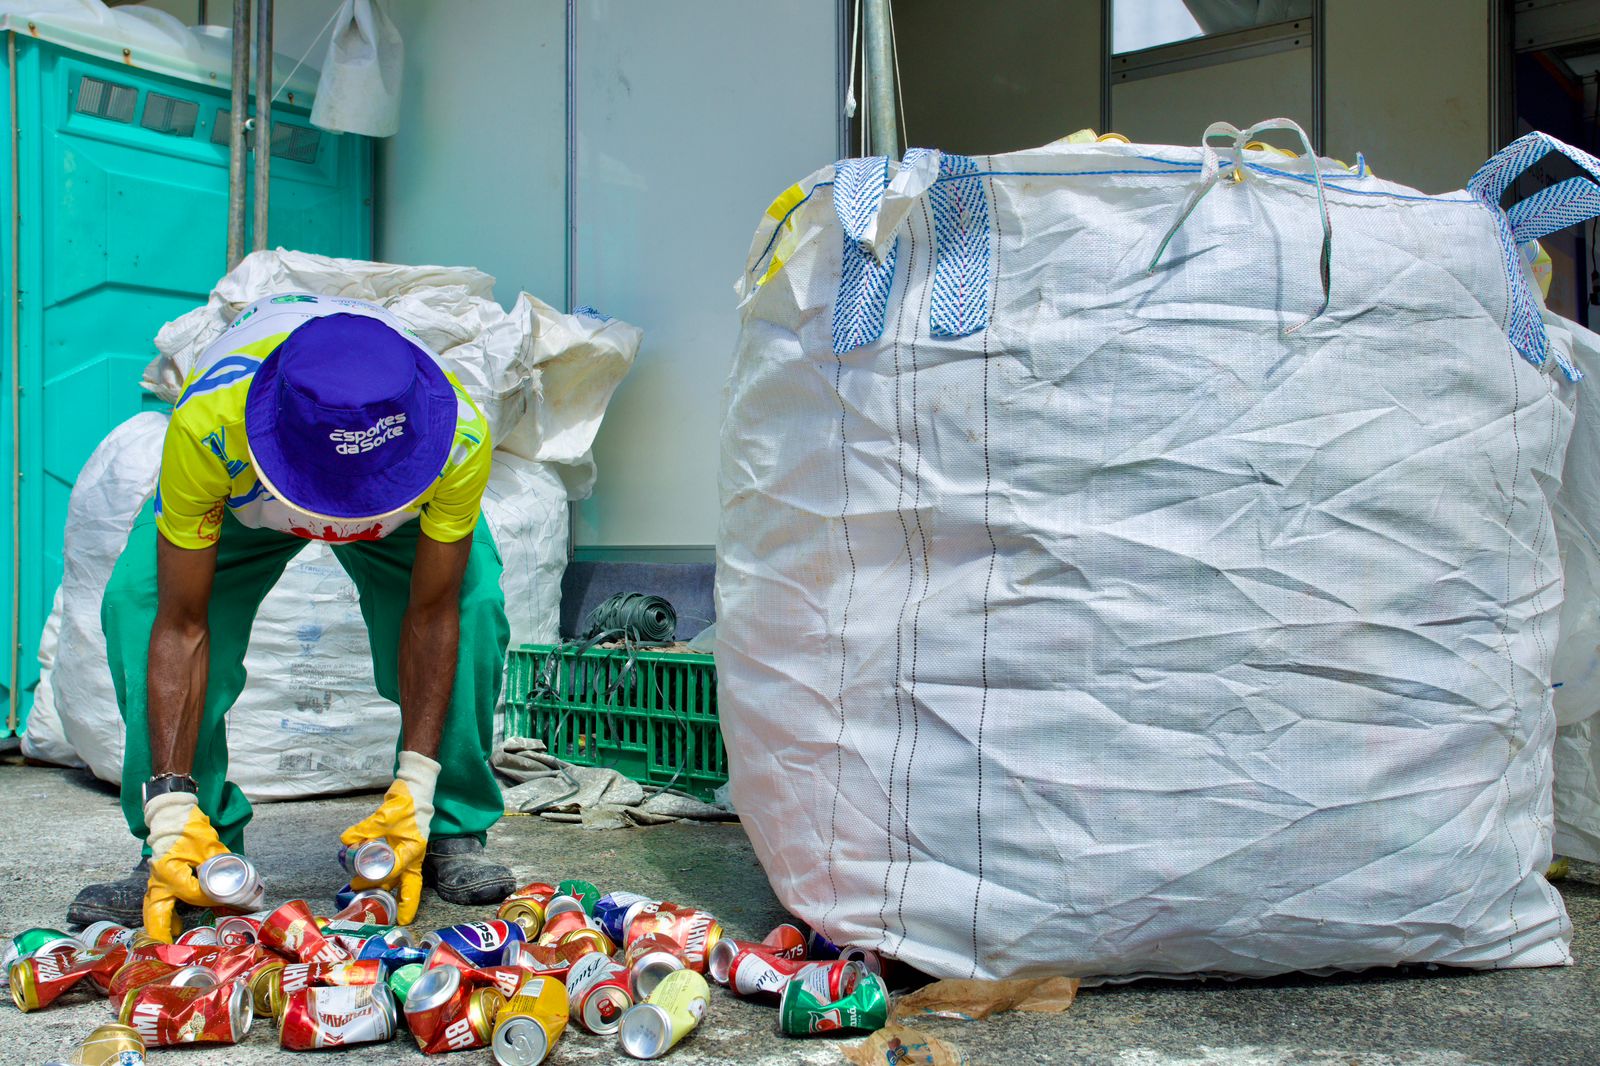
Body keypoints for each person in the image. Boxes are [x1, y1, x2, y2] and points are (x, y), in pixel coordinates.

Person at [68, 293, 515, 939]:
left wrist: (415, 784)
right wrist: (167, 805)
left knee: (472, 606)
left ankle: (443, 823)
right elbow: (182, 623)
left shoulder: (456, 436)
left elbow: (433, 610)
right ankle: (185, 837)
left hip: (400, 509)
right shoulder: (210, 424)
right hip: (249, 499)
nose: (335, 521)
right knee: (138, 605)